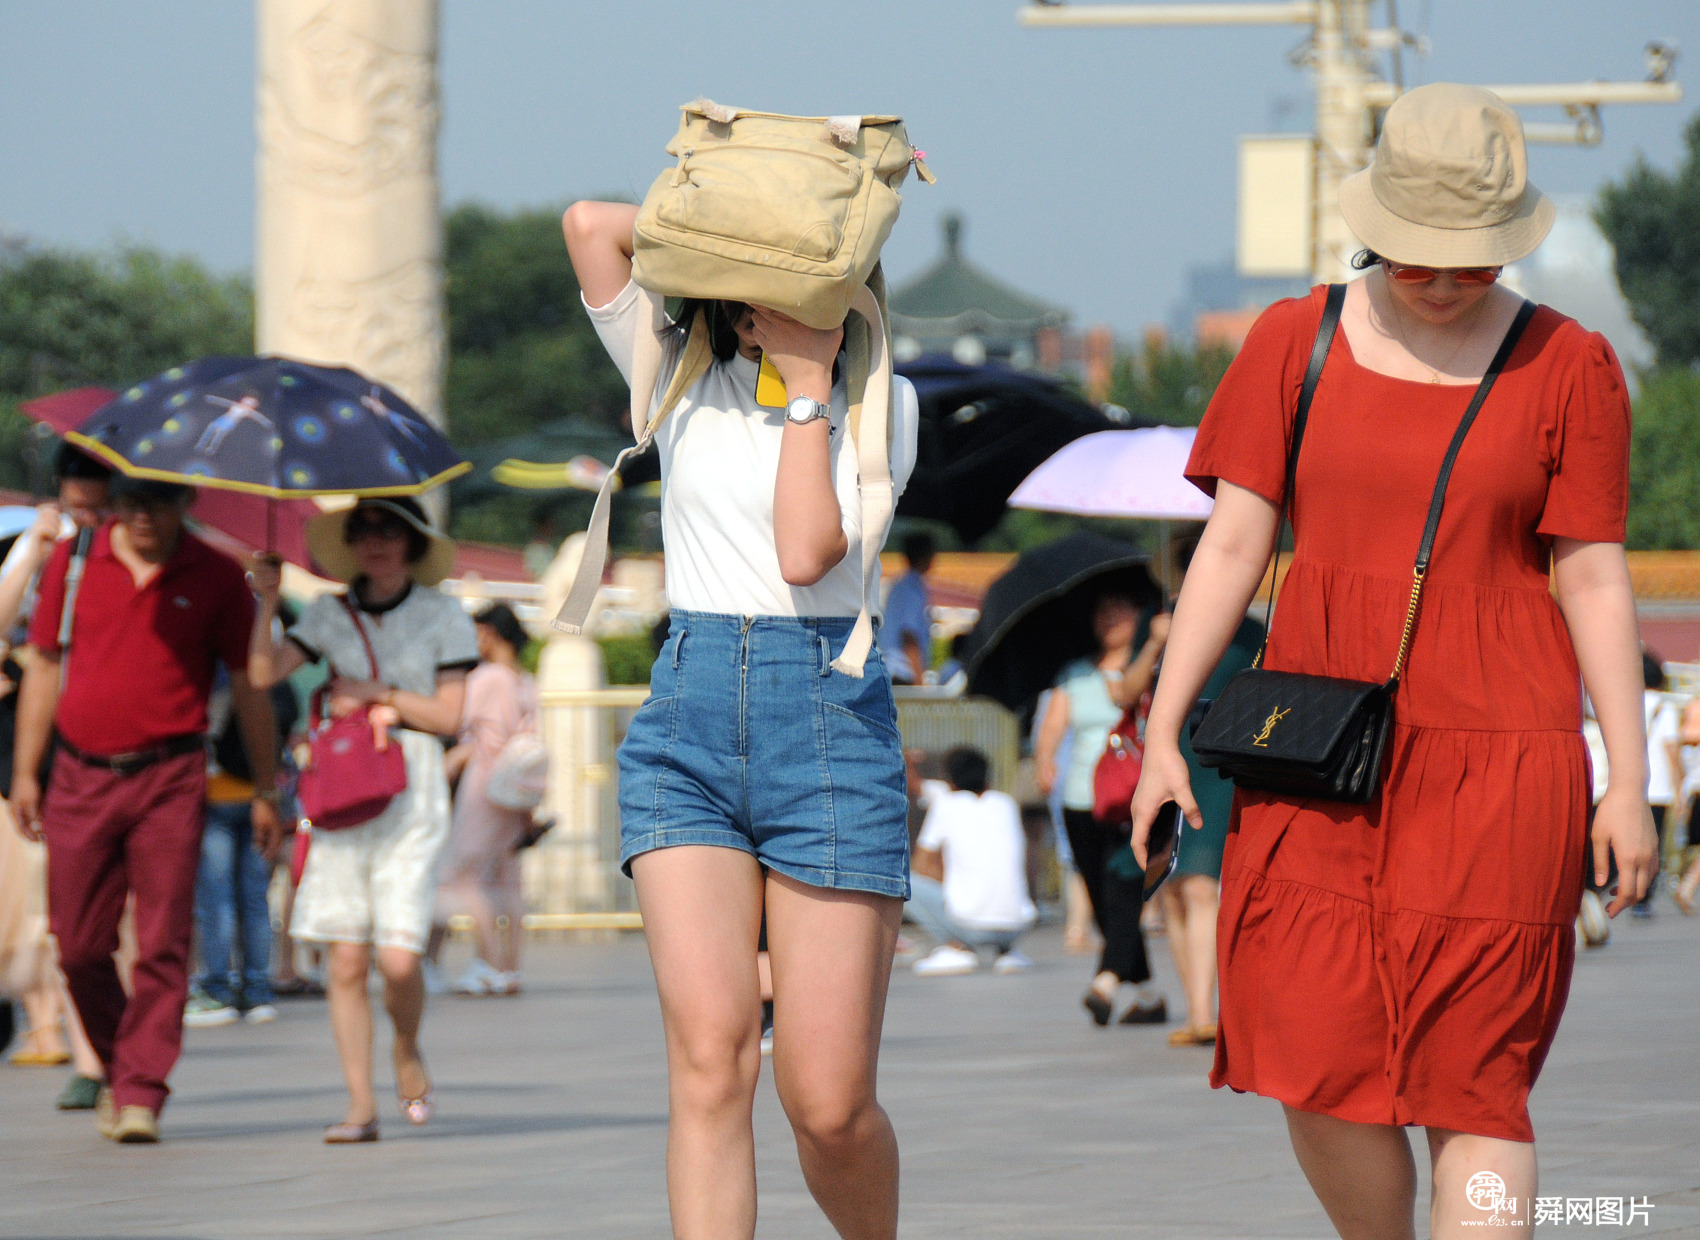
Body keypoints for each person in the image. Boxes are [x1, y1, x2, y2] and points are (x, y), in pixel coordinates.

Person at [1131, 84, 1656, 1240]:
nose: (1439, 276)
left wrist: (1625, 778)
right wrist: (1163, 733)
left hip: (1501, 763)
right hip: (1318, 753)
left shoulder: (1569, 366)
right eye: (1416, 252)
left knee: (1476, 1080)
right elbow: (1230, 541)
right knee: (1315, 1057)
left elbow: (1593, 577)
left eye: (1467, 257)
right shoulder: (1290, 340)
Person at [565, 198, 920, 1239]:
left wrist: (810, 383)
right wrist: (756, 208)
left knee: (827, 1104)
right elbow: (593, 225)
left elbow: (808, 552)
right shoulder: (671, 370)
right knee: (711, 1061)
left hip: (828, 725)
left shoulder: (877, 400)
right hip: (688, 718)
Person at [9, 477, 281, 1144]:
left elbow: (249, 685)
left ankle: (140, 1090)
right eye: (128, 504)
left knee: (163, 941)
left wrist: (268, 787)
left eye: (155, 505)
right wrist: (24, 771)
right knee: (77, 944)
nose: (139, 518)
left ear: (184, 506)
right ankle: (118, 1061)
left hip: (172, 777)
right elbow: (43, 667)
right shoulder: (75, 561)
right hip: (78, 774)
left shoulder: (216, 575)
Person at [248, 496, 476, 1144]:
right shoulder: (325, 613)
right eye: (364, 532)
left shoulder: (442, 613)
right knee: (346, 960)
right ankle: (359, 1104)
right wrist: (266, 600)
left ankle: (407, 1046)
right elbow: (263, 671)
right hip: (344, 790)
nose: (376, 543)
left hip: (412, 789)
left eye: (389, 532)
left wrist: (380, 696)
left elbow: (449, 716)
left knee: (399, 960)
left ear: (411, 544)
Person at [1035, 591, 1169, 1026]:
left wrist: (1153, 646)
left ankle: (1106, 980)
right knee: (1100, 895)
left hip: (1134, 796)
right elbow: (1054, 725)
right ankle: (1148, 995)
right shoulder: (1076, 672)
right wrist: (1045, 759)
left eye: (1119, 609)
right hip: (1082, 798)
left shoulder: (1154, 666)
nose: (1109, 618)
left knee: (1124, 890)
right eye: (1102, 612)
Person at [1160, 532, 1264, 1048]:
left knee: (1200, 884)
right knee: (1171, 889)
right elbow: (1128, 691)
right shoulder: (1158, 625)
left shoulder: (1249, 632)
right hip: (1163, 756)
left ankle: (1206, 1010)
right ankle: (1195, 1008)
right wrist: (1158, 642)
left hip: (1218, 760)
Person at [183, 668, 298, 1027]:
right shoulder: (275, 677)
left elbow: (200, 730)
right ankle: (257, 989)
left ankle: (217, 989)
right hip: (261, 798)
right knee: (254, 898)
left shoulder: (218, 674)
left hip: (216, 796)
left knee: (217, 900)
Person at [437, 602, 537, 996]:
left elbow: (456, 721)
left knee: (464, 876)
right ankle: (509, 967)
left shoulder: (487, 678)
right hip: (518, 787)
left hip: (484, 780)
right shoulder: (524, 680)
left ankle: (489, 963)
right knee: (507, 881)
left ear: (489, 633)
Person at [906, 747, 1035, 976]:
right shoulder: (1006, 804)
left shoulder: (946, 804)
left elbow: (922, 863)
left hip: (969, 927)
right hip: (1019, 926)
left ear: (949, 780)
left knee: (904, 881)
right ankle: (1007, 953)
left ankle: (956, 946)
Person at [1636, 653, 1679, 919]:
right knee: (1654, 844)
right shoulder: (1666, 708)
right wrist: (1679, 786)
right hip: (1659, 786)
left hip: (1632, 786)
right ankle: (1643, 896)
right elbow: (1672, 750)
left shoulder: (1626, 704)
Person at [881, 531, 934, 686]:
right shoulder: (912, 589)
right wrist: (919, 682)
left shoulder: (900, 585)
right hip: (901, 674)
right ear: (927, 556)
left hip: (892, 671)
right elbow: (909, 635)